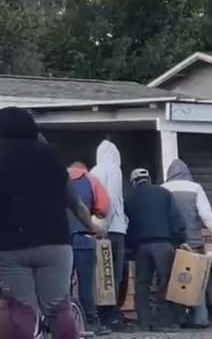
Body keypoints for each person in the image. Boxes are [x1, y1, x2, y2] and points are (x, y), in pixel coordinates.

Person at [0, 107, 99, 339]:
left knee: (22, 309)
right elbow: (73, 201)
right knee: (58, 307)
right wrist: (92, 225)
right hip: (53, 241)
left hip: (7, 245)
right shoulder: (50, 156)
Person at [162, 159, 212, 327]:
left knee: (176, 282)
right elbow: (207, 216)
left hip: (172, 244)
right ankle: (200, 318)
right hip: (194, 243)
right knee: (197, 281)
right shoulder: (195, 188)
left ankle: (179, 318)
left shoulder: (163, 189)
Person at [123, 168, 186, 332]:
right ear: (149, 179)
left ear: (134, 182)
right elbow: (175, 218)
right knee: (164, 282)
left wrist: (129, 246)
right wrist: (180, 239)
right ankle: (164, 322)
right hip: (163, 244)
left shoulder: (129, 198)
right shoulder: (164, 193)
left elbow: (126, 223)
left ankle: (144, 322)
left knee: (142, 284)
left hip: (141, 247)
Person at [68, 160, 111, 334]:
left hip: (60, 241)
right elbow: (103, 208)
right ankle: (91, 323)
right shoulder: (91, 179)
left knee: (62, 285)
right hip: (84, 238)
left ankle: (61, 323)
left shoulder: (57, 178)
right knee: (86, 285)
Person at [89, 140, 127, 331]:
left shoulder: (93, 172)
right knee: (114, 275)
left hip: (94, 229)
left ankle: (98, 314)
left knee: (99, 275)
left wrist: (94, 227)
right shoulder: (114, 170)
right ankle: (111, 315)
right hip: (114, 230)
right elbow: (110, 200)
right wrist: (104, 226)